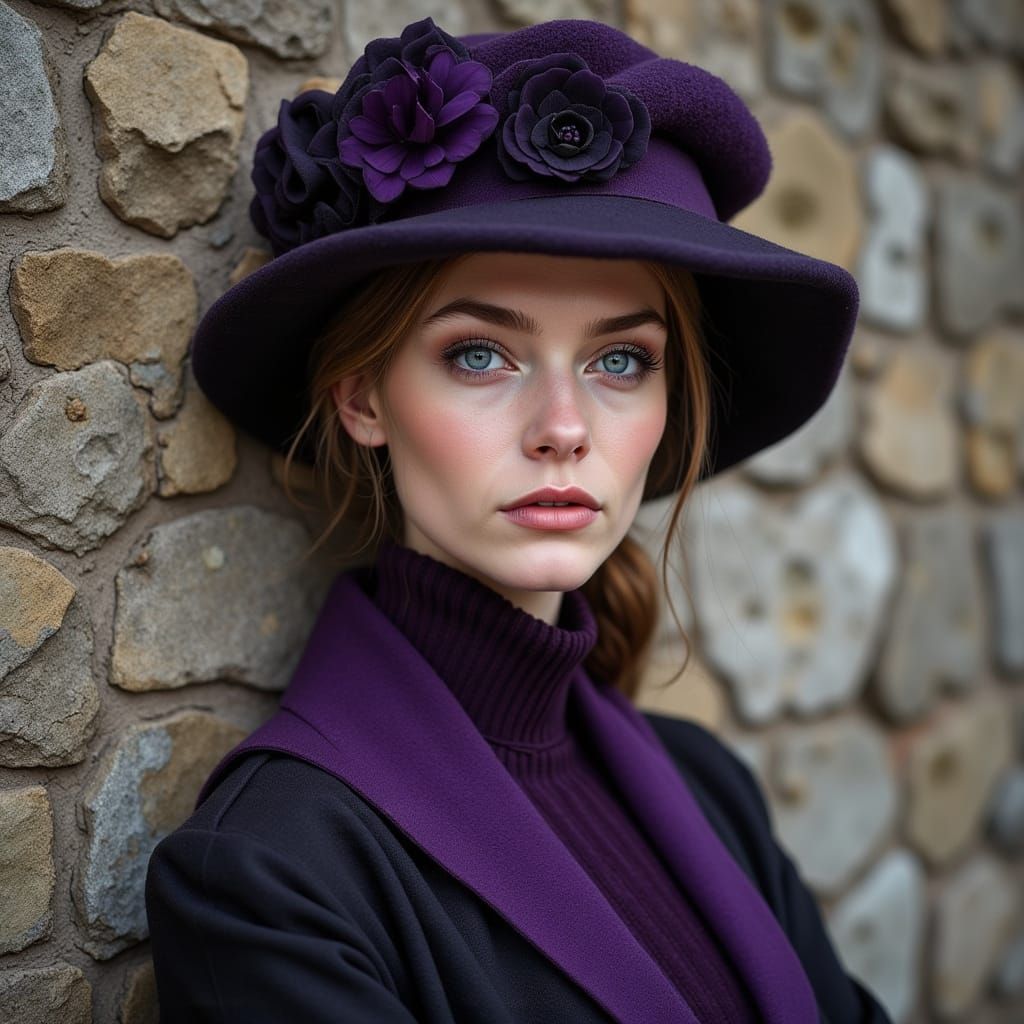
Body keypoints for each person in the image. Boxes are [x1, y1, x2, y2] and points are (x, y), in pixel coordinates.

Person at [144, 16, 893, 1024]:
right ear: (362, 397)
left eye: (620, 360)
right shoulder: (271, 875)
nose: (563, 429)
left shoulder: (710, 788)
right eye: (479, 354)